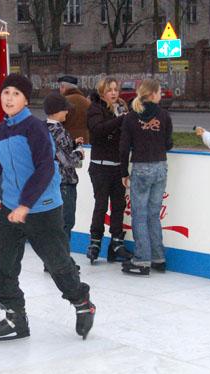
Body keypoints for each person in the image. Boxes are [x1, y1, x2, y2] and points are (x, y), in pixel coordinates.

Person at [0, 74, 95, 342]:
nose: (9, 98)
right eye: (6, 93)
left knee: (57, 265)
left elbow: (45, 168)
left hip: (43, 207)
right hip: (11, 208)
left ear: (26, 99)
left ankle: (82, 302)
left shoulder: (34, 128)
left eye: (16, 94)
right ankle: (15, 319)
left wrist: (26, 203)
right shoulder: (1, 130)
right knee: (0, 266)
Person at [120, 79, 173, 276]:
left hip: (141, 168)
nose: (161, 95)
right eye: (159, 92)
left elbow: (124, 146)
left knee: (139, 215)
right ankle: (158, 257)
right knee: (152, 214)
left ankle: (142, 259)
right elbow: (169, 144)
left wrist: (124, 172)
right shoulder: (164, 115)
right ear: (152, 94)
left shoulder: (131, 117)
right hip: (160, 166)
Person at [86, 76, 131, 264]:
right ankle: (95, 241)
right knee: (101, 205)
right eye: (109, 89)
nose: (113, 93)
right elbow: (97, 131)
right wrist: (120, 120)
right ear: (102, 92)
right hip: (100, 166)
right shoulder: (95, 109)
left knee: (119, 205)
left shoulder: (122, 108)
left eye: (115, 89)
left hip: (118, 167)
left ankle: (117, 242)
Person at [44, 92, 84, 244]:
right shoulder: (58, 130)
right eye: (65, 109)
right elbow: (67, 161)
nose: (67, 111)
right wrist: (79, 153)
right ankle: (63, 262)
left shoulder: (44, 128)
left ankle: (51, 262)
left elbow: (56, 151)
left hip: (50, 182)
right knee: (65, 223)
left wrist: (72, 144)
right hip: (64, 183)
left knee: (53, 224)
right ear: (56, 111)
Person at [58, 75, 91, 144]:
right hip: (85, 140)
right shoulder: (87, 102)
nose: (59, 90)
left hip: (68, 141)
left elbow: (57, 124)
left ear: (63, 87)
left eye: (60, 87)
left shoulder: (63, 101)